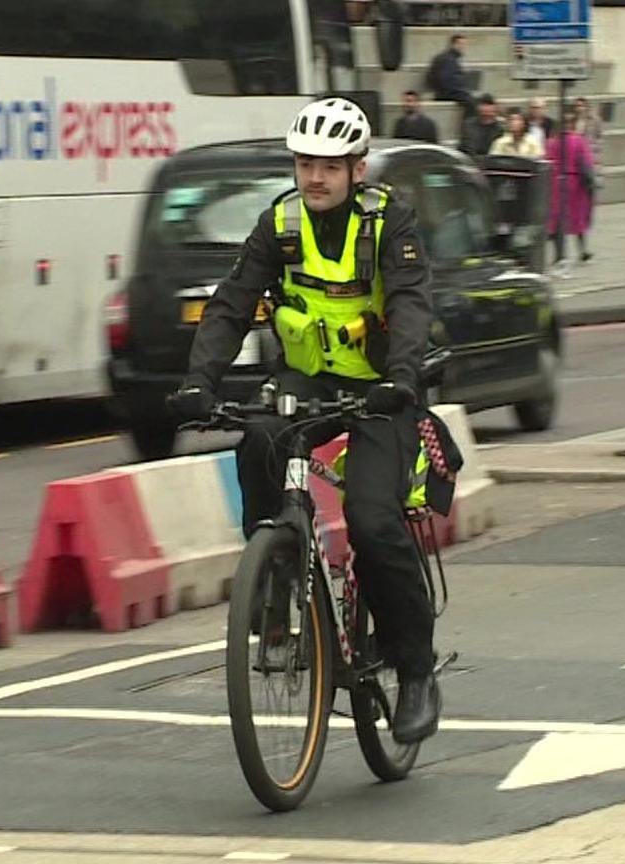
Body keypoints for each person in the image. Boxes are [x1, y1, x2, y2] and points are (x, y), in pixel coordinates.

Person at [168, 98, 441, 744]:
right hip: (307, 382)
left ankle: (417, 669)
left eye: (328, 165)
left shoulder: (386, 223)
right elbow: (232, 304)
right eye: (304, 163)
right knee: (258, 439)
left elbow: (409, 304)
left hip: (381, 390)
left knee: (374, 522)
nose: (314, 177)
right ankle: (276, 579)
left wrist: (402, 378)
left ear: (356, 168)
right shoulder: (279, 223)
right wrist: (197, 382)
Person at [545, 111, 595, 271]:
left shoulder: (551, 142)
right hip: (575, 183)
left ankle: (558, 255)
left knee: (556, 219)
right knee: (578, 218)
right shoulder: (578, 141)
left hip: (556, 182)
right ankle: (582, 251)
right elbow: (587, 162)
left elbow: (546, 161)